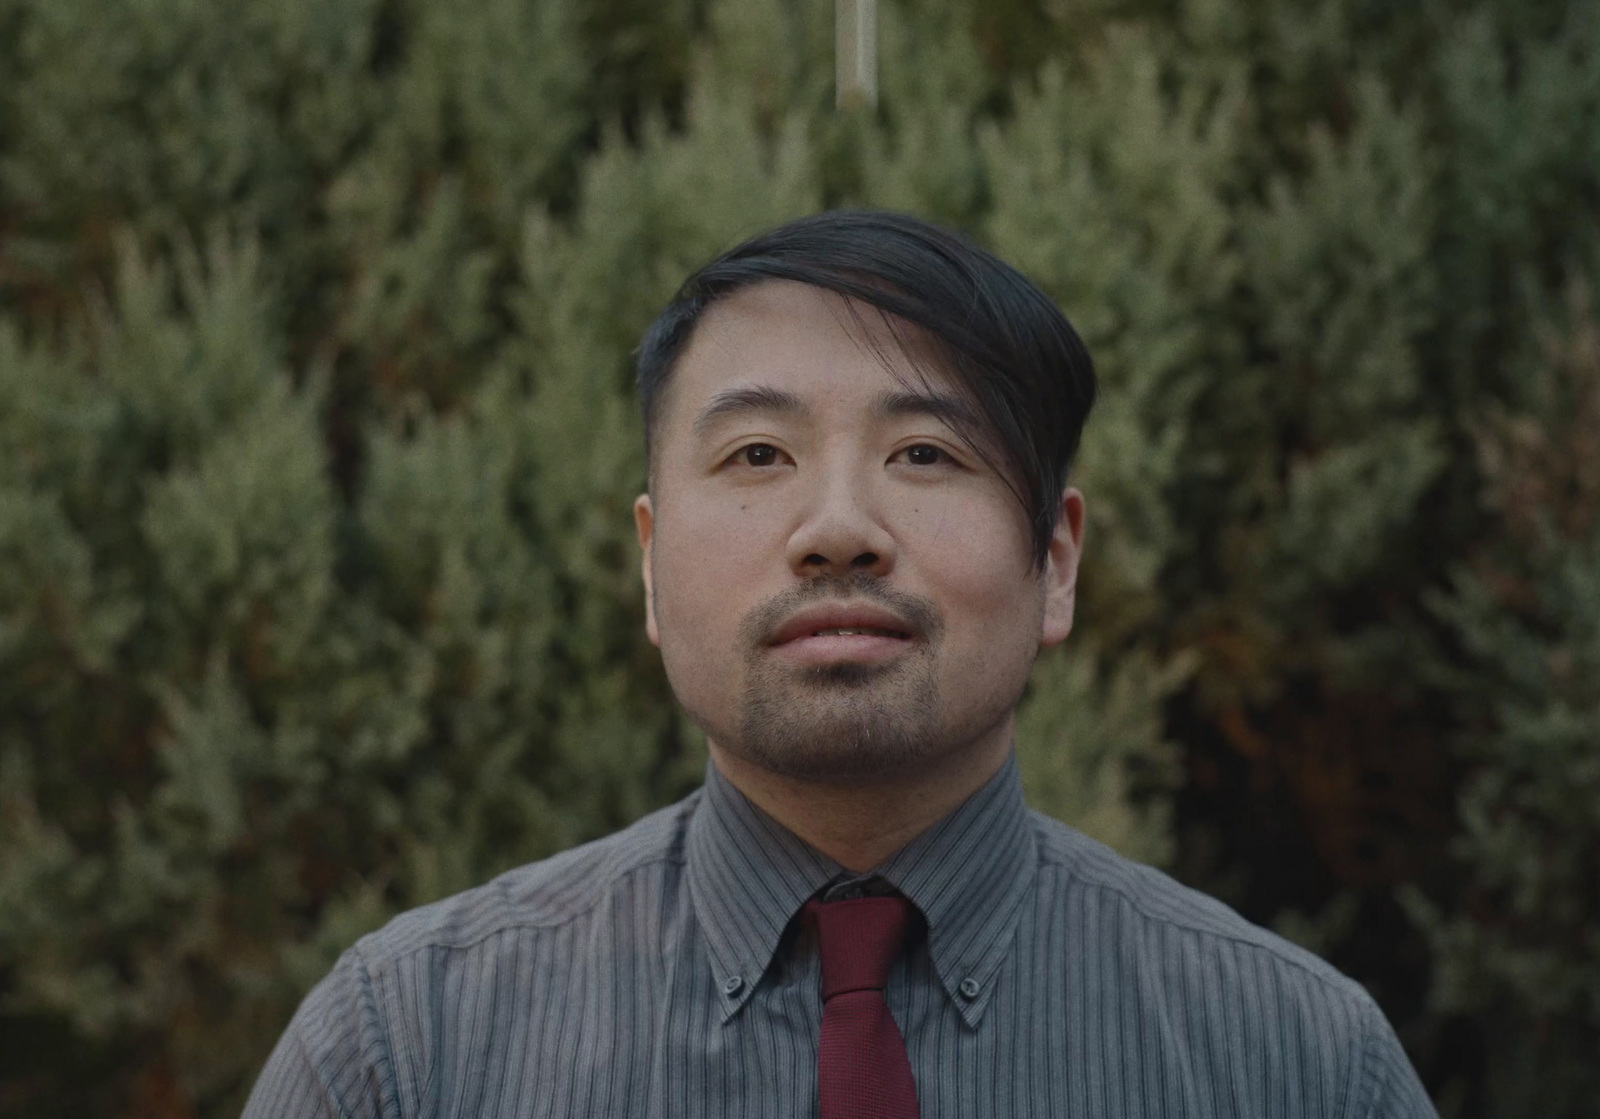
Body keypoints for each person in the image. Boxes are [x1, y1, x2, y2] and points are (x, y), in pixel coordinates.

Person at [243, 211, 1436, 1118]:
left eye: (925, 452)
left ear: (1056, 562)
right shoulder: (409, 1049)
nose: (837, 527)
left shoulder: (1293, 1061)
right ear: (651, 567)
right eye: (758, 453)